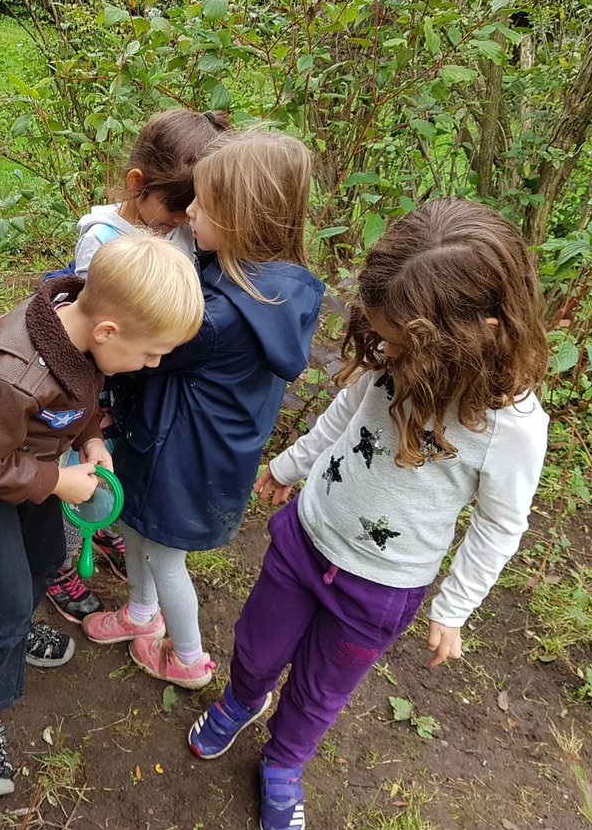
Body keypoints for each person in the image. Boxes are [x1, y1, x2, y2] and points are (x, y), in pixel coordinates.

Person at [187, 199, 551, 830]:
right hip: (306, 538)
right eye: (378, 334)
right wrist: (291, 465)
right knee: (257, 643)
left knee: (323, 687)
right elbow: (346, 414)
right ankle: (242, 699)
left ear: (477, 333)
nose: (381, 348)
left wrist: (454, 608)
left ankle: (284, 762)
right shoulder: (393, 352)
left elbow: (500, 522)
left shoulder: (510, 428)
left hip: (382, 589)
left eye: (394, 339)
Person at [0, 234, 205, 799]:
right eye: (150, 353)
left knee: (47, 556)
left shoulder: (82, 332)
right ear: (107, 332)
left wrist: (92, 439)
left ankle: (15, 632)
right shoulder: (2, 374)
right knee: (3, 592)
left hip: (32, 466)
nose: (152, 364)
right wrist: (57, 480)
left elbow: (80, 398)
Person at [82, 130, 325, 693]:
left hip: (179, 457)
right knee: (140, 533)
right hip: (190, 447)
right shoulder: (273, 287)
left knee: (165, 555)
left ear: (242, 220)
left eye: (202, 206)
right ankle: (141, 615)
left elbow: (141, 355)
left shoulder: (215, 318)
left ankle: (188, 657)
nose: (188, 211)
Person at [45, 108, 231, 624]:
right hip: (88, 385)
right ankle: (58, 561)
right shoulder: (102, 239)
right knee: (70, 464)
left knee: (113, 463)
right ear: (137, 186)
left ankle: (102, 523)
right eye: (175, 211)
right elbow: (94, 328)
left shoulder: (179, 227)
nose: (184, 221)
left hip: (134, 383)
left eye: (194, 210)